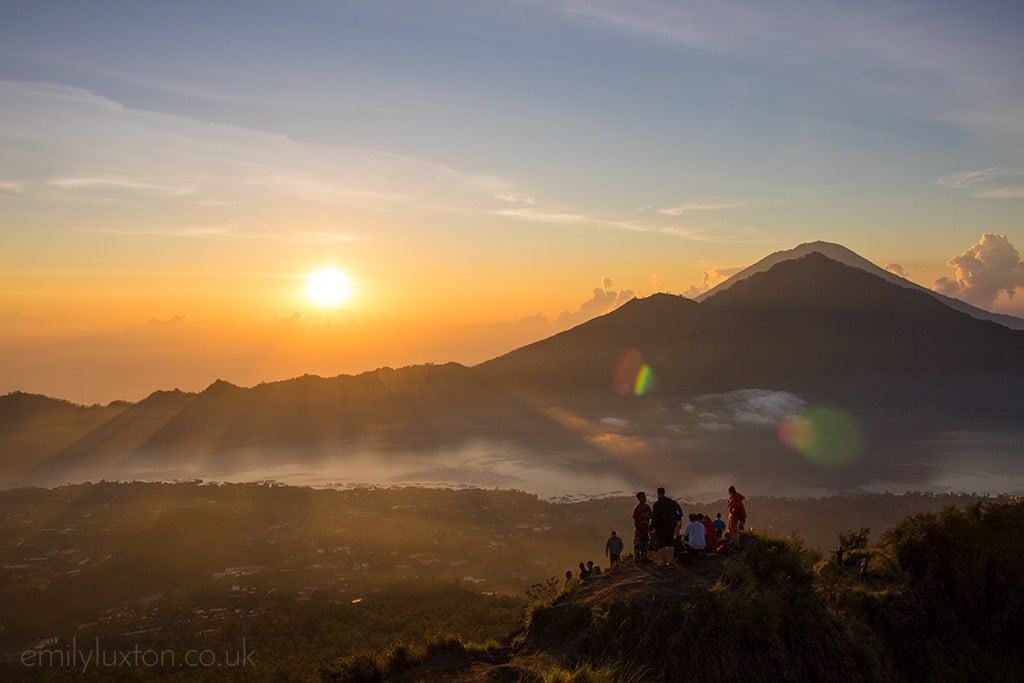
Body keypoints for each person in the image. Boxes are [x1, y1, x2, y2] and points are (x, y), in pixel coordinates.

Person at [651, 487, 683, 567]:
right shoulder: (672, 502)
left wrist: (651, 527)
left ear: (658, 493)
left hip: (660, 528)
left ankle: (664, 562)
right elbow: (679, 513)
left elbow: (654, 517)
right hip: (671, 526)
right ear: (664, 493)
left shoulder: (657, 504)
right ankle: (671, 561)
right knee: (670, 543)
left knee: (661, 544)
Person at [632, 491, 652, 563]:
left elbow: (651, 515)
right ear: (639, 498)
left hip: (646, 529)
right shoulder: (637, 508)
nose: (645, 498)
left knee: (645, 544)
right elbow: (636, 521)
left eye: (645, 496)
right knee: (638, 545)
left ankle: (644, 558)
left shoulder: (647, 507)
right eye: (643, 497)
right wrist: (638, 530)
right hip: (639, 530)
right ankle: (637, 559)